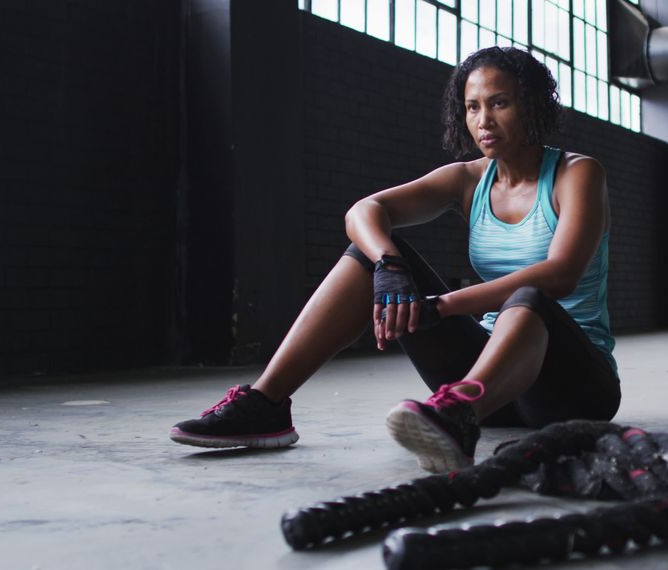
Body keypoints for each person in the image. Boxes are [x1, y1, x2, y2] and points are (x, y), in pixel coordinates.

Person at [169, 46, 621, 473]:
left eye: (499, 103)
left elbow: (560, 275)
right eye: (472, 106)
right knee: (372, 254)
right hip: (493, 380)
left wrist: (441, 305)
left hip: (569, 386)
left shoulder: (577, 173)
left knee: (530, 296)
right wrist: (389, 265)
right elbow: (364, 212)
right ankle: (265, 403)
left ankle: (457, 413)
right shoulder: (467, 180)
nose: (484, 120)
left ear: (533, 105)